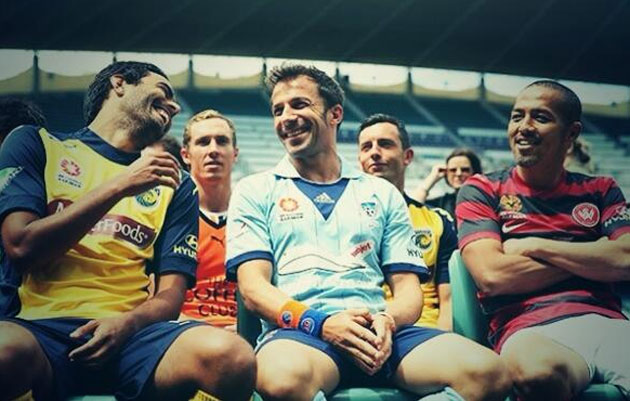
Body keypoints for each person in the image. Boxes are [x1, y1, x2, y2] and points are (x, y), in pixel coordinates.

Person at [226, 64, 510, 401]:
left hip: (377, 332)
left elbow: (408, 291)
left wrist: (388, 320)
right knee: (283, 381)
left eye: (299, 104)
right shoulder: (254, 190)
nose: (286, 117)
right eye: (278, 110)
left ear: (335, 114)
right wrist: (321, 324)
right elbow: (253, 289)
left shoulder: (382, 193)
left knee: (491, 374)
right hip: (300, 334)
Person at [0, 61, 255, 401]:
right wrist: (121, 184)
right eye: (163, 91)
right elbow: (21, 247)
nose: (174, 107)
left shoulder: (176, 184)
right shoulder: (37, 144)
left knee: (233, 358)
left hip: (135, 338)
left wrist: (127, 324)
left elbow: (170, 296)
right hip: (41, 330)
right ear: (119, 83)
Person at [456, 80, 630, 400]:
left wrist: (535, 246)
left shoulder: (601, 189)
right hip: (528, 327)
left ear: (571, 134)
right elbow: (493, 276)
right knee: (537, 374)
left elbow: (626, 260)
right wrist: (594, 257)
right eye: (517, 116)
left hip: (608, 323)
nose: (524, 127)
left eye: (540, 117)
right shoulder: (482, 189)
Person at [357, 113, 457, 331]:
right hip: (361, 329)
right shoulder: (340, 219)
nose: (374, 152)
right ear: (359, 160)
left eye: (385, 144)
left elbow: (448, 301)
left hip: (423, 331)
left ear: (407, 156)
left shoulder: (438, 221)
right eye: (366, 147)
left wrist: (444, 339)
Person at [179, 109, 239, 330]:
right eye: (203, 142)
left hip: (246, 331)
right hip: (183, 331)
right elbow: (151, 293)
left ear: (235, 153)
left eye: (222, 141)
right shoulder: (167, 215)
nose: (213, 150)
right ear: (186, 155)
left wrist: (249, 328)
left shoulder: (255, 215)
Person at [411, 147, 482, 218]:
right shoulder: (443, 203)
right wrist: (432, 177)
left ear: (475, 172)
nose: (458, 173)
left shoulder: (485, 200)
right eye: (453, 170)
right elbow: (413, 207)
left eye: (465, 170)